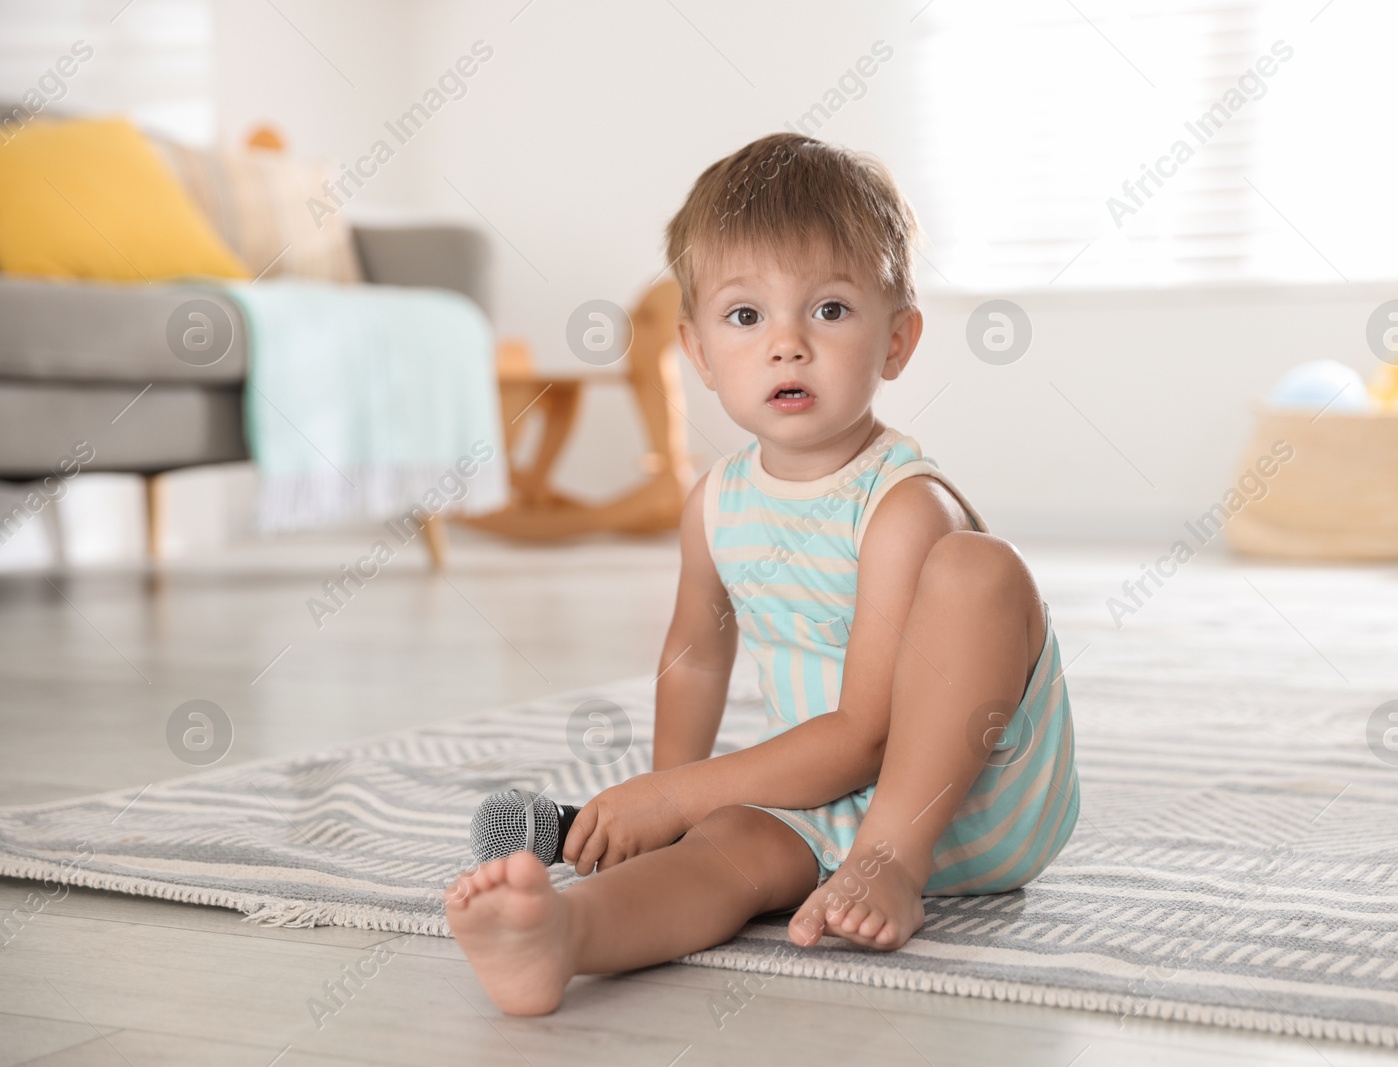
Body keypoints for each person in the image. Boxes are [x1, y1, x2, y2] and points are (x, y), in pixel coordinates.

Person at [446, 132, 1079, 1015]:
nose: (787, 345)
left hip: (964, 803)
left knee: (978, 569)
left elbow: (863, 733)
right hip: (819, 795)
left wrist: (671, 794)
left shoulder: (898, 507)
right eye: (746, 317)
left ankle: (891, 862)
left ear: (897, 340)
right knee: (724, 854)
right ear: (698, 354)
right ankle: (562, 937)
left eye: (828, 310)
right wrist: (677, 819)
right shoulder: (715, 504)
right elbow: (696, 658)